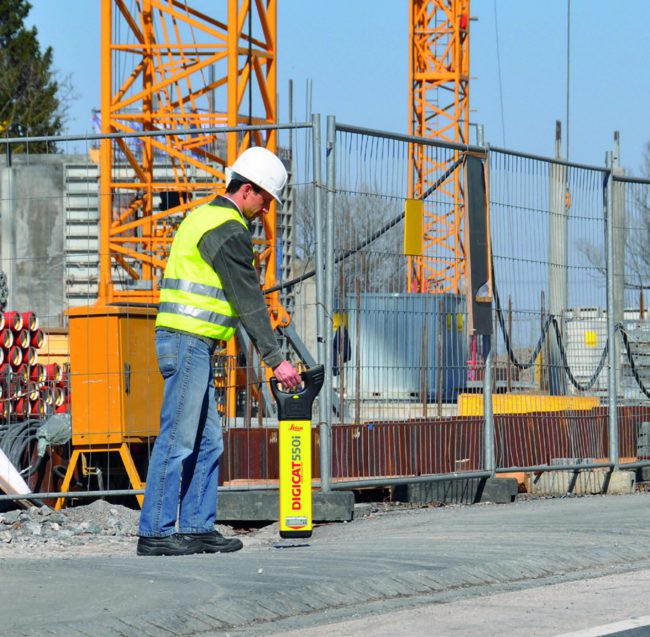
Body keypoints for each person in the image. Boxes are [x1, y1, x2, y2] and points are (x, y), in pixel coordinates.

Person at [137, 147, 302, 557]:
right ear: (248, 190)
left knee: (209, 441)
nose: (266, 210)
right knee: (178, 438)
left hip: (194, 344)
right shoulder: (228, 229)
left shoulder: (205, 217)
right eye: (265, 199)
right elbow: (247, 300)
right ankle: (155, 532)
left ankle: (196, 527)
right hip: (187, 341)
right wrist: (276, 359)